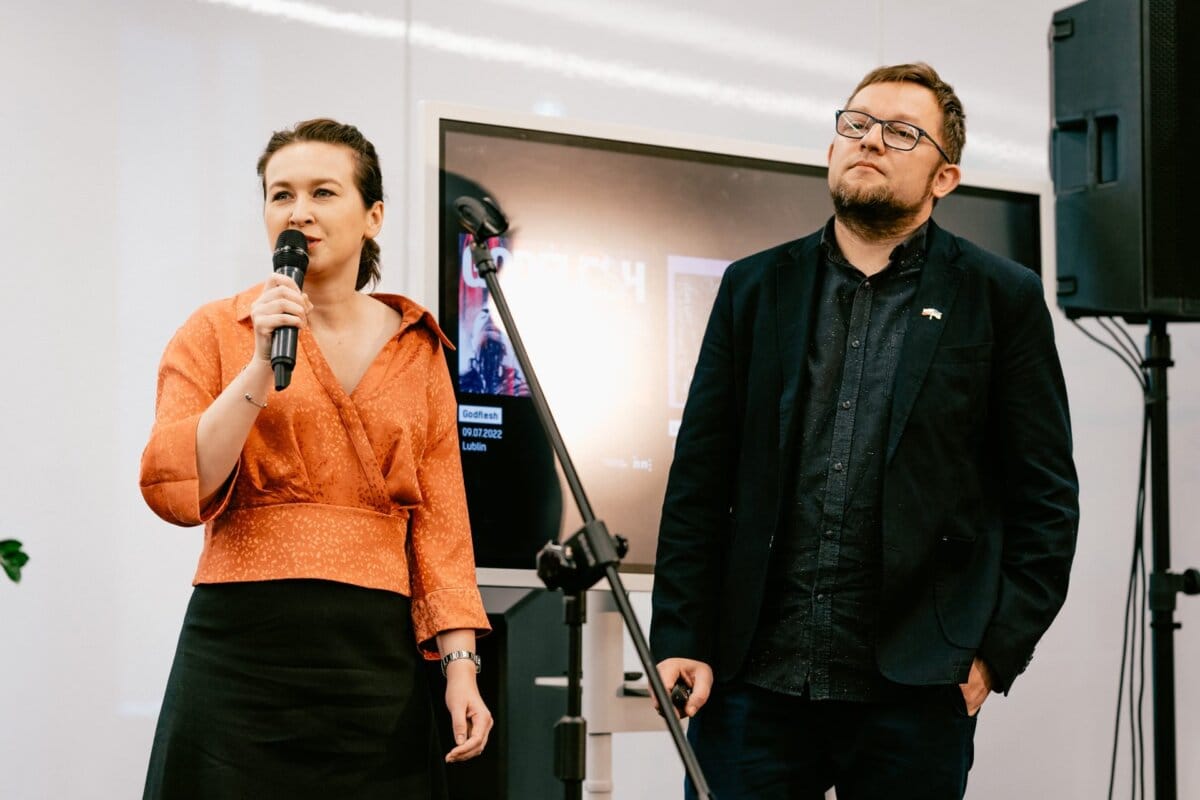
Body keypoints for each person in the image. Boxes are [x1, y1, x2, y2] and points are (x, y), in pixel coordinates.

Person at [650, 63, 1079, 800]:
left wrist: (991, 656)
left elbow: (1045, 501)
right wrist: (682, 637)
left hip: (914, 689)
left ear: (944, 178)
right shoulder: (755, 288)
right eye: (856, 124)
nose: (870, 141)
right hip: (755, 681)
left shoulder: (1000, 298)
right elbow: (700, 479)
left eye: (901, 133)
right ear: (830, 149)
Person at [139, 118, 492, 799]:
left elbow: (443, 524)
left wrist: (460, 666)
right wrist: (257, 369)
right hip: (241, 651)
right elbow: (176, 484)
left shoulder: (418, 348)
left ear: (374, 215)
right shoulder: (217, 330)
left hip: (371, 661)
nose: (298, 211)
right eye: (280, 195)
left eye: (323, 192)